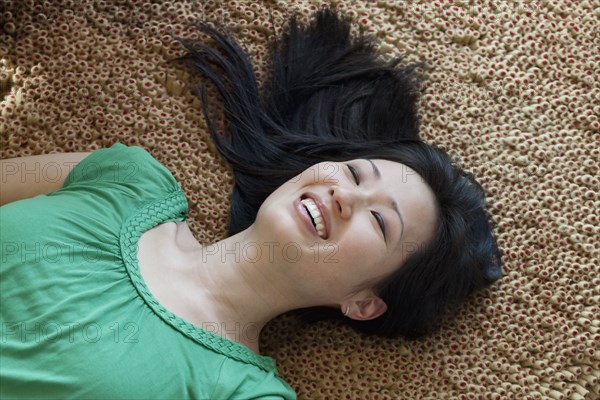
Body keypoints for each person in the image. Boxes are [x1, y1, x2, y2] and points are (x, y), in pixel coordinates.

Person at [0, 7, 502, 399]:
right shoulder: (129, 179)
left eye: (378, 220)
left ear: (364, 303)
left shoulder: (242, 392)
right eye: (353, 172)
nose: (344, 195)